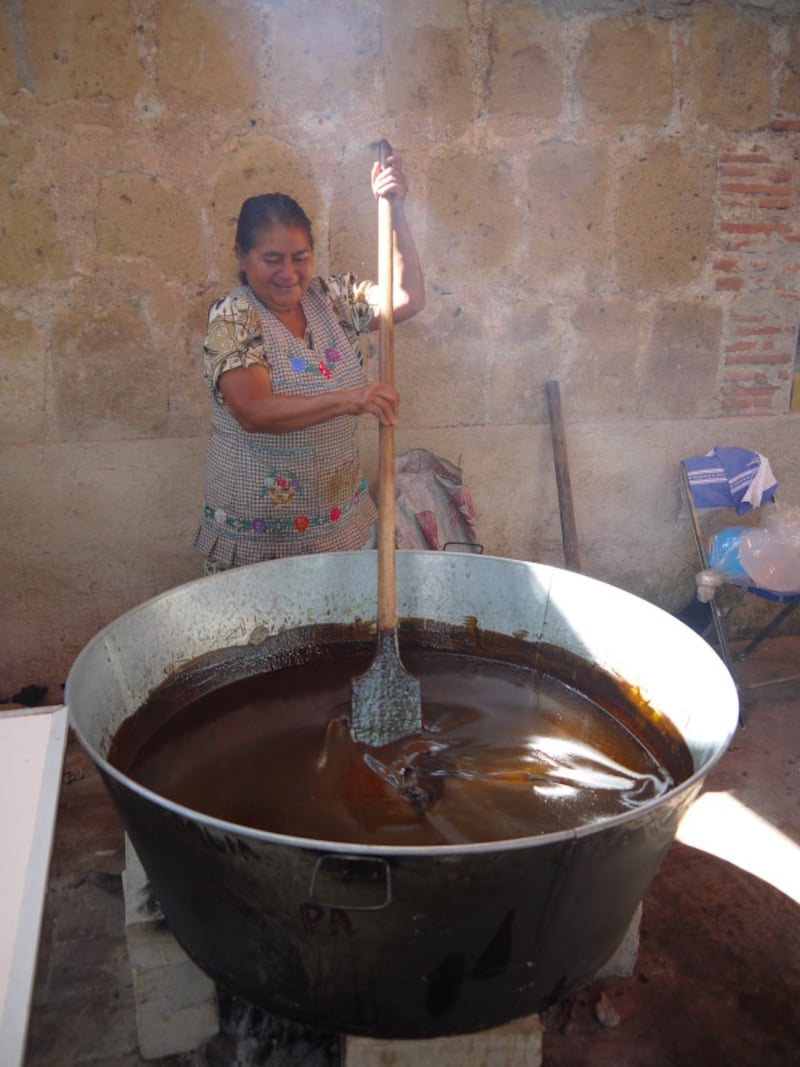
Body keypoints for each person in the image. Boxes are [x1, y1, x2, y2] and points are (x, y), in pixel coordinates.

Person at [194, 152, 425, 571]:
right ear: (241, 257)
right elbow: (253, 411)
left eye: (300, 257)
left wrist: (395, 212)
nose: (289, 272)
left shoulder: (332, 299)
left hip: (340, 531)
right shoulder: (233, 316)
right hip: (261, 542)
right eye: (272, 259)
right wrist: (348, 400)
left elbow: (405, 299)